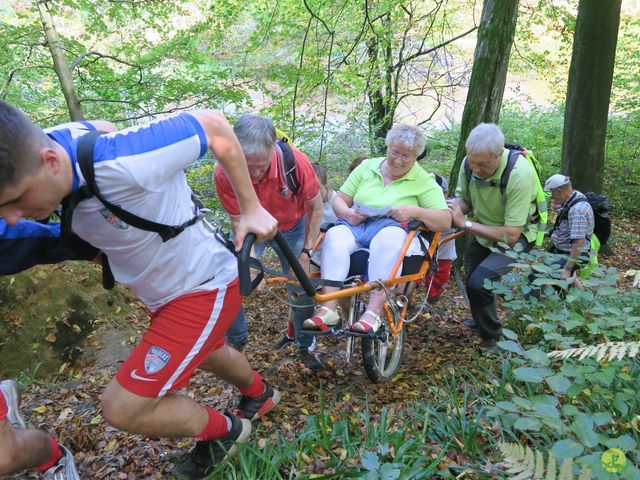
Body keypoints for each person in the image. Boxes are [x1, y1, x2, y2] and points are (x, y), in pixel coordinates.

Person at [0, 101, 279, 480]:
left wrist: (250, 208)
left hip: (201, 286)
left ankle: (228, 433)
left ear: (50, 162)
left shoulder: (119, 162)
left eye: (16, 200)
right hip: (163, 292)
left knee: (123, 408)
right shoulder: (52, 148)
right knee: (210, 352)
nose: (11, 217)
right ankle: (261, 395)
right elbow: (101, 122)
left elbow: (212, 125)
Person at [302, 124, 451, 334]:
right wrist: (347, 213)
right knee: (335, 234)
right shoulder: (367, 167)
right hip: (358, 224)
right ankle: (329, 309)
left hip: (393, 229)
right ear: (387, 148)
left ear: (416, 156)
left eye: (406, 156)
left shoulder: (423, 181)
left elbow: (445, 220)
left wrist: (415, 211)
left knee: (388, 237)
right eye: (394, 153)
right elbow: (341, 200)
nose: (398, 160)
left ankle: (373, 312)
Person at [214, 114, 324, 370]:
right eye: (247, 165)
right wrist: (250, 262)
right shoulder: (224, 172)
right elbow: (238, 221)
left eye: (261, 166)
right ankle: (236, 341)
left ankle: (305, 344)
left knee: (300, 284)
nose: (254, 173)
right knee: (231, 280)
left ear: (272, 149)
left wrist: (307, 251)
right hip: (252, 229)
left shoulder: (295, 163)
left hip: (293, 226)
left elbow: (315, 208)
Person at [447, 123, 538, 351]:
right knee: (472, 278)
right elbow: (465, 201)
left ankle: (492, 339)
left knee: (481, 283)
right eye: (473, 162)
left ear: (499, 156)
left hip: (517, 238)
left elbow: (511, 234)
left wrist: (464, 223)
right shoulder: (470, 162)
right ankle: (482, 321)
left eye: (483, 164)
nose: (475, 169)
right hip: (485, 230)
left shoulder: (519, 173)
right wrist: (451, 207)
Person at [544, 174, 594, 278]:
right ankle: (580, 293)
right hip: (563, 251)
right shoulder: (574, 196)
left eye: (552, 193)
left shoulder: (576, 210)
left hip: (571, 255)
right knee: (570, 281)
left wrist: (567, 268)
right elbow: (565, 223)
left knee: (540, 275)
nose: (552, 197)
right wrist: (550, 233)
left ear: (558, 191)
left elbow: (579, 241)